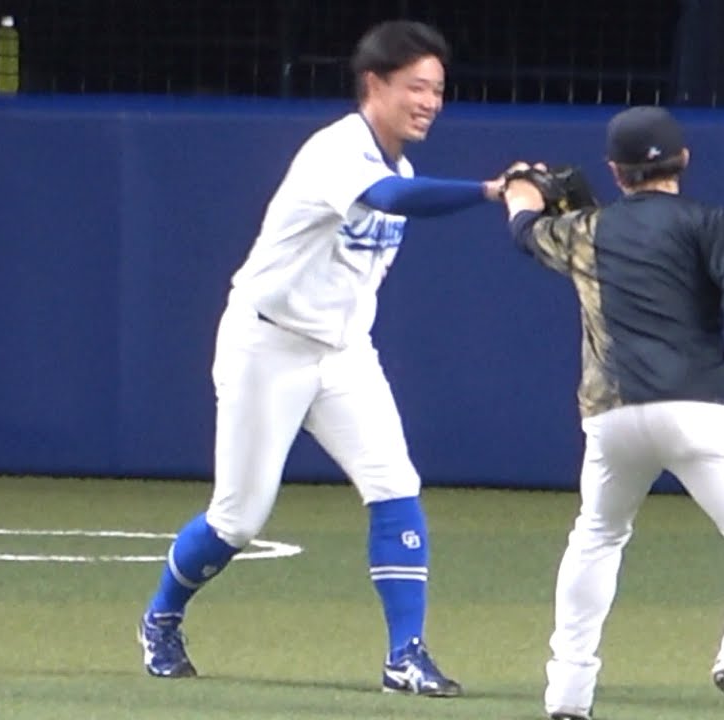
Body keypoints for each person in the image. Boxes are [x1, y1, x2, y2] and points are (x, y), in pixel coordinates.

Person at [136, 20, 515, 697]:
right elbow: (389, 199)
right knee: (238, 518)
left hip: (343, 353)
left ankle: (405, 655)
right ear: (375, 84)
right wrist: (491, 191)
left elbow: (395, 198)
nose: (430, 102)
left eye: (437, 89)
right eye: (416, 87)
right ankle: (161, 616)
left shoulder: (401, 165)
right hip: (268, 344)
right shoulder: (336, 151)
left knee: (395, 486)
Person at [501, 105, 724, 720]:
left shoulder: (585, 229)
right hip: (698, 409)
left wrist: (518, 189)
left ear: (615, 170)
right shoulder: (706, 221)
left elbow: (526, 230)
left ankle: (568, 693)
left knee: (598, 536)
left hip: (612, 418)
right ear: (683, 160)